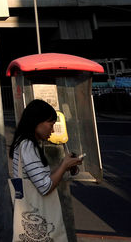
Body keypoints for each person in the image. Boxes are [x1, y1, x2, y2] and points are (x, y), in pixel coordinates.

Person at [9, 99, 82, 242]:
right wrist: (63, 166)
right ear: (37, 121)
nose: (53, 129)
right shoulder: (28, 145)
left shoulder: (24, 143)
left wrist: (65, 165)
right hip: (36, 214)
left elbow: (40, 177)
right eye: (51, 124)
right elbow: (45, 186)